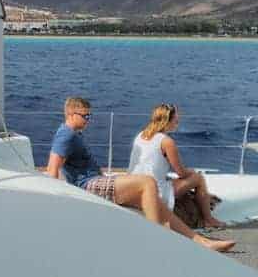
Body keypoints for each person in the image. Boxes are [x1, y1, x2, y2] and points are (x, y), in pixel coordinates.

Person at [46, 97, 234, 252]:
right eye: (85, 116)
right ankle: (154, 240)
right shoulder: (66, 135)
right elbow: (52, 168)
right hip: (86, 185)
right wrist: (57, 205)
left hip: (95, 180)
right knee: (148, 183)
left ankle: (201, 241)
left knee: (155, 200)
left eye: (90, 115)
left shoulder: (74, 134)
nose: (89, 119)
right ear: (71, 114)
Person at [129, 103, 225, 228]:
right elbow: (181, 173)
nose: (177, 123)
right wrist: (192, 172)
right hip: (154, 191)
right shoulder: (166, 142)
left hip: (134, 186)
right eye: (176, 120)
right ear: (166, 121)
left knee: (172, 179)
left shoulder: (141, 135)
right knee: (198, 178)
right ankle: (208, 219)